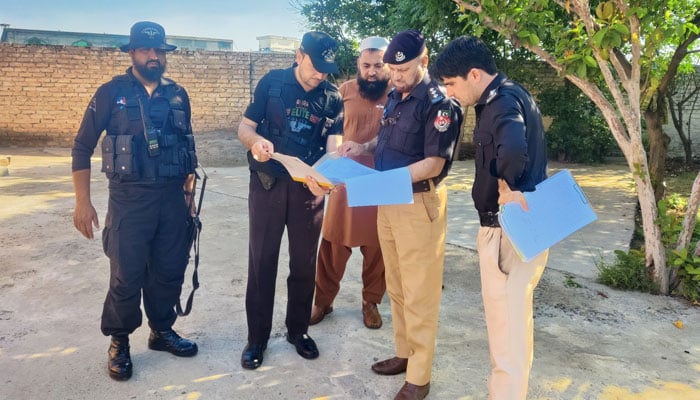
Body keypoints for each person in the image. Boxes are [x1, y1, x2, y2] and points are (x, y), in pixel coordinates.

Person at [336, 29, 462, 400]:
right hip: (388, 200)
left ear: (423, 61)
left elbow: (434, 162)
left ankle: (420, 376)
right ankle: (405, 354)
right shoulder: (396, 95)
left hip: (417, 203)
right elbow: (387, 138)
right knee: (397, 284)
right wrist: (364, 145)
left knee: (420, 291)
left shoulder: (439, 104)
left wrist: (388, 179)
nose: (396, 76)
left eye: (403, 69)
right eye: (393, 69)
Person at [71, 21, 199, 381]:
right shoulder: (112, 93)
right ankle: (120, 340)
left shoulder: (178, 94)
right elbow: (82, 147)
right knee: (126, 276)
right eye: (146, 49)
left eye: (159, 50)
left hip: (173, 197)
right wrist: (83, 202)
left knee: (169, 269)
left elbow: (186, 147)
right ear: (132, 52)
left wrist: (188, 198)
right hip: (129, 199)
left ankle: (161, 332)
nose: (153, 56)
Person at [430, 36, 549, 400]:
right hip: (523, 226)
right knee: (513, 327)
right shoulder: (513, 93)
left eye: (451, 83)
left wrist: (505, 185)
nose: (449, 92)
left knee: (505, 328)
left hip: (507, 230)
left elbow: (513, 149)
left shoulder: (499, 104)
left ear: (475, 74)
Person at [236, 31, 344, 370]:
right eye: (316, 66)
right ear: (299, 56)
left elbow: (334, 148)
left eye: (327, 69)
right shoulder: (272, 83)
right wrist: (255, 143)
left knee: (304, 263)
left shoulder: (332, 97)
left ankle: (298, 332)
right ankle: (257, 338)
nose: (321, 74)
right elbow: (245, 126)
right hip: (267, 186)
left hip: (307, 192)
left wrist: (326, 182)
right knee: (262, 261)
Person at [309, 36, 391, 330]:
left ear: (388, 65)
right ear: (358, 64)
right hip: (344, 182)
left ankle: (371, 302)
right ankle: (323, 301)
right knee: (332, 243)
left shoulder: (397, 96)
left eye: (378, 65)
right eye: (366, 65)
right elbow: (328, 136)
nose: (372, 72)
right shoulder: (342, 92)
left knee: (377, 247)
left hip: (379, 182)